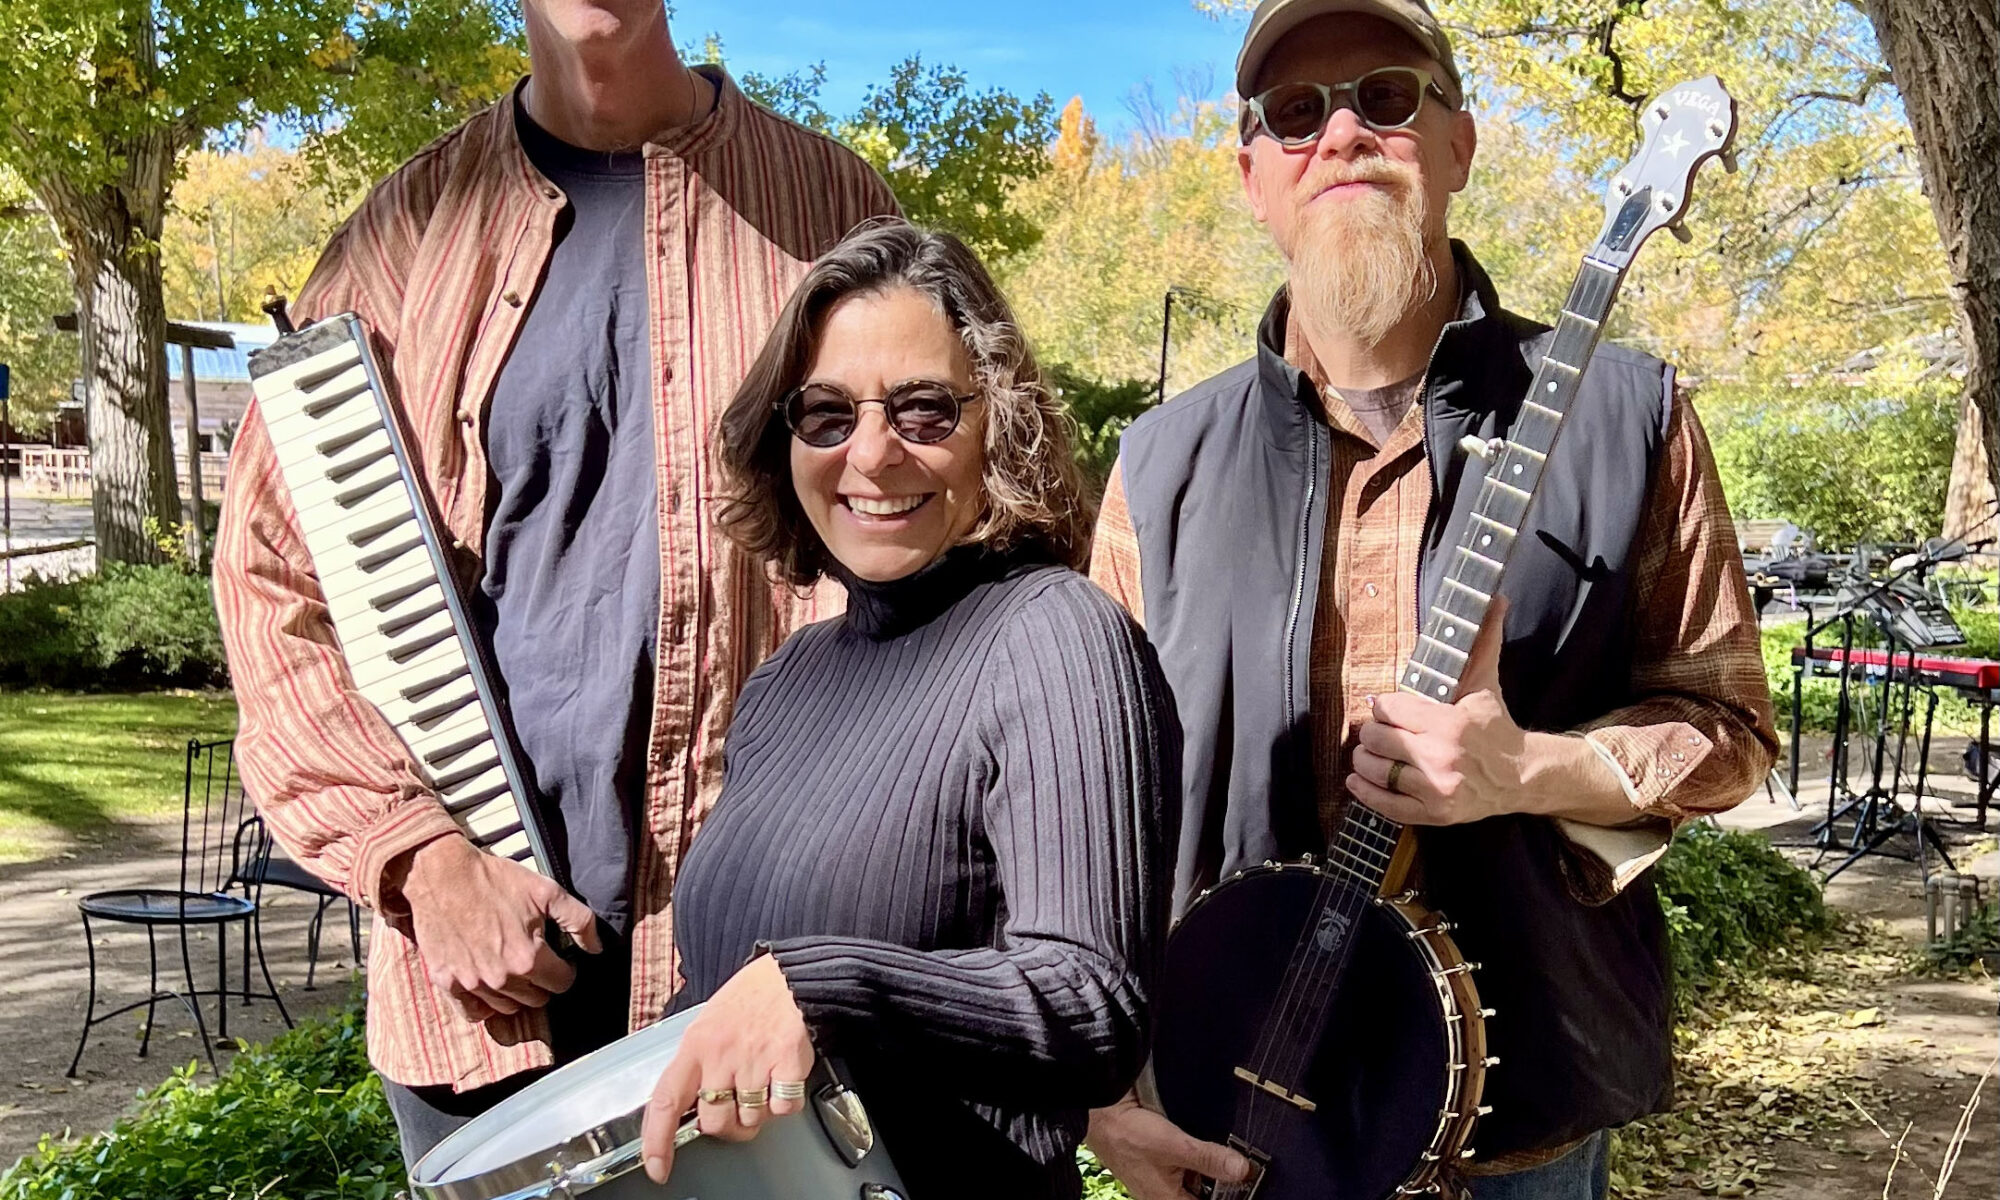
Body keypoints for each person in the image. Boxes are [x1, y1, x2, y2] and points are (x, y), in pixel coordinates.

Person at [1083, 2, 1778, 1197]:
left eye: (1386, 97)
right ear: (1252, 176)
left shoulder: (1630, 417)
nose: (1342, 132)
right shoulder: (1157, 468)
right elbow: (1094, 800)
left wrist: (1532, 773)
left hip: (1518, 1130)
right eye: (1294, 113)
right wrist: (1101, 1083)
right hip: (1228, 1101)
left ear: (1457, 144)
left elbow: (1730, 737)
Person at [212, 0, 897, 1166]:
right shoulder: (400, 240)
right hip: (480, 989)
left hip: (756, 973)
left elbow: (944, 550)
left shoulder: (833, 212)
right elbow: (273, 579)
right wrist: (417, 855)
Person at [633, 220, 1179, 1200]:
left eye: (924, 411)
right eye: (826, 415)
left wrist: (826, 987)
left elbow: (1092, 1009)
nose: (873, 454)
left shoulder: (1055, 636)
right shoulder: (789, 681)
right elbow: (726, 985)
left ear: (995, 423)